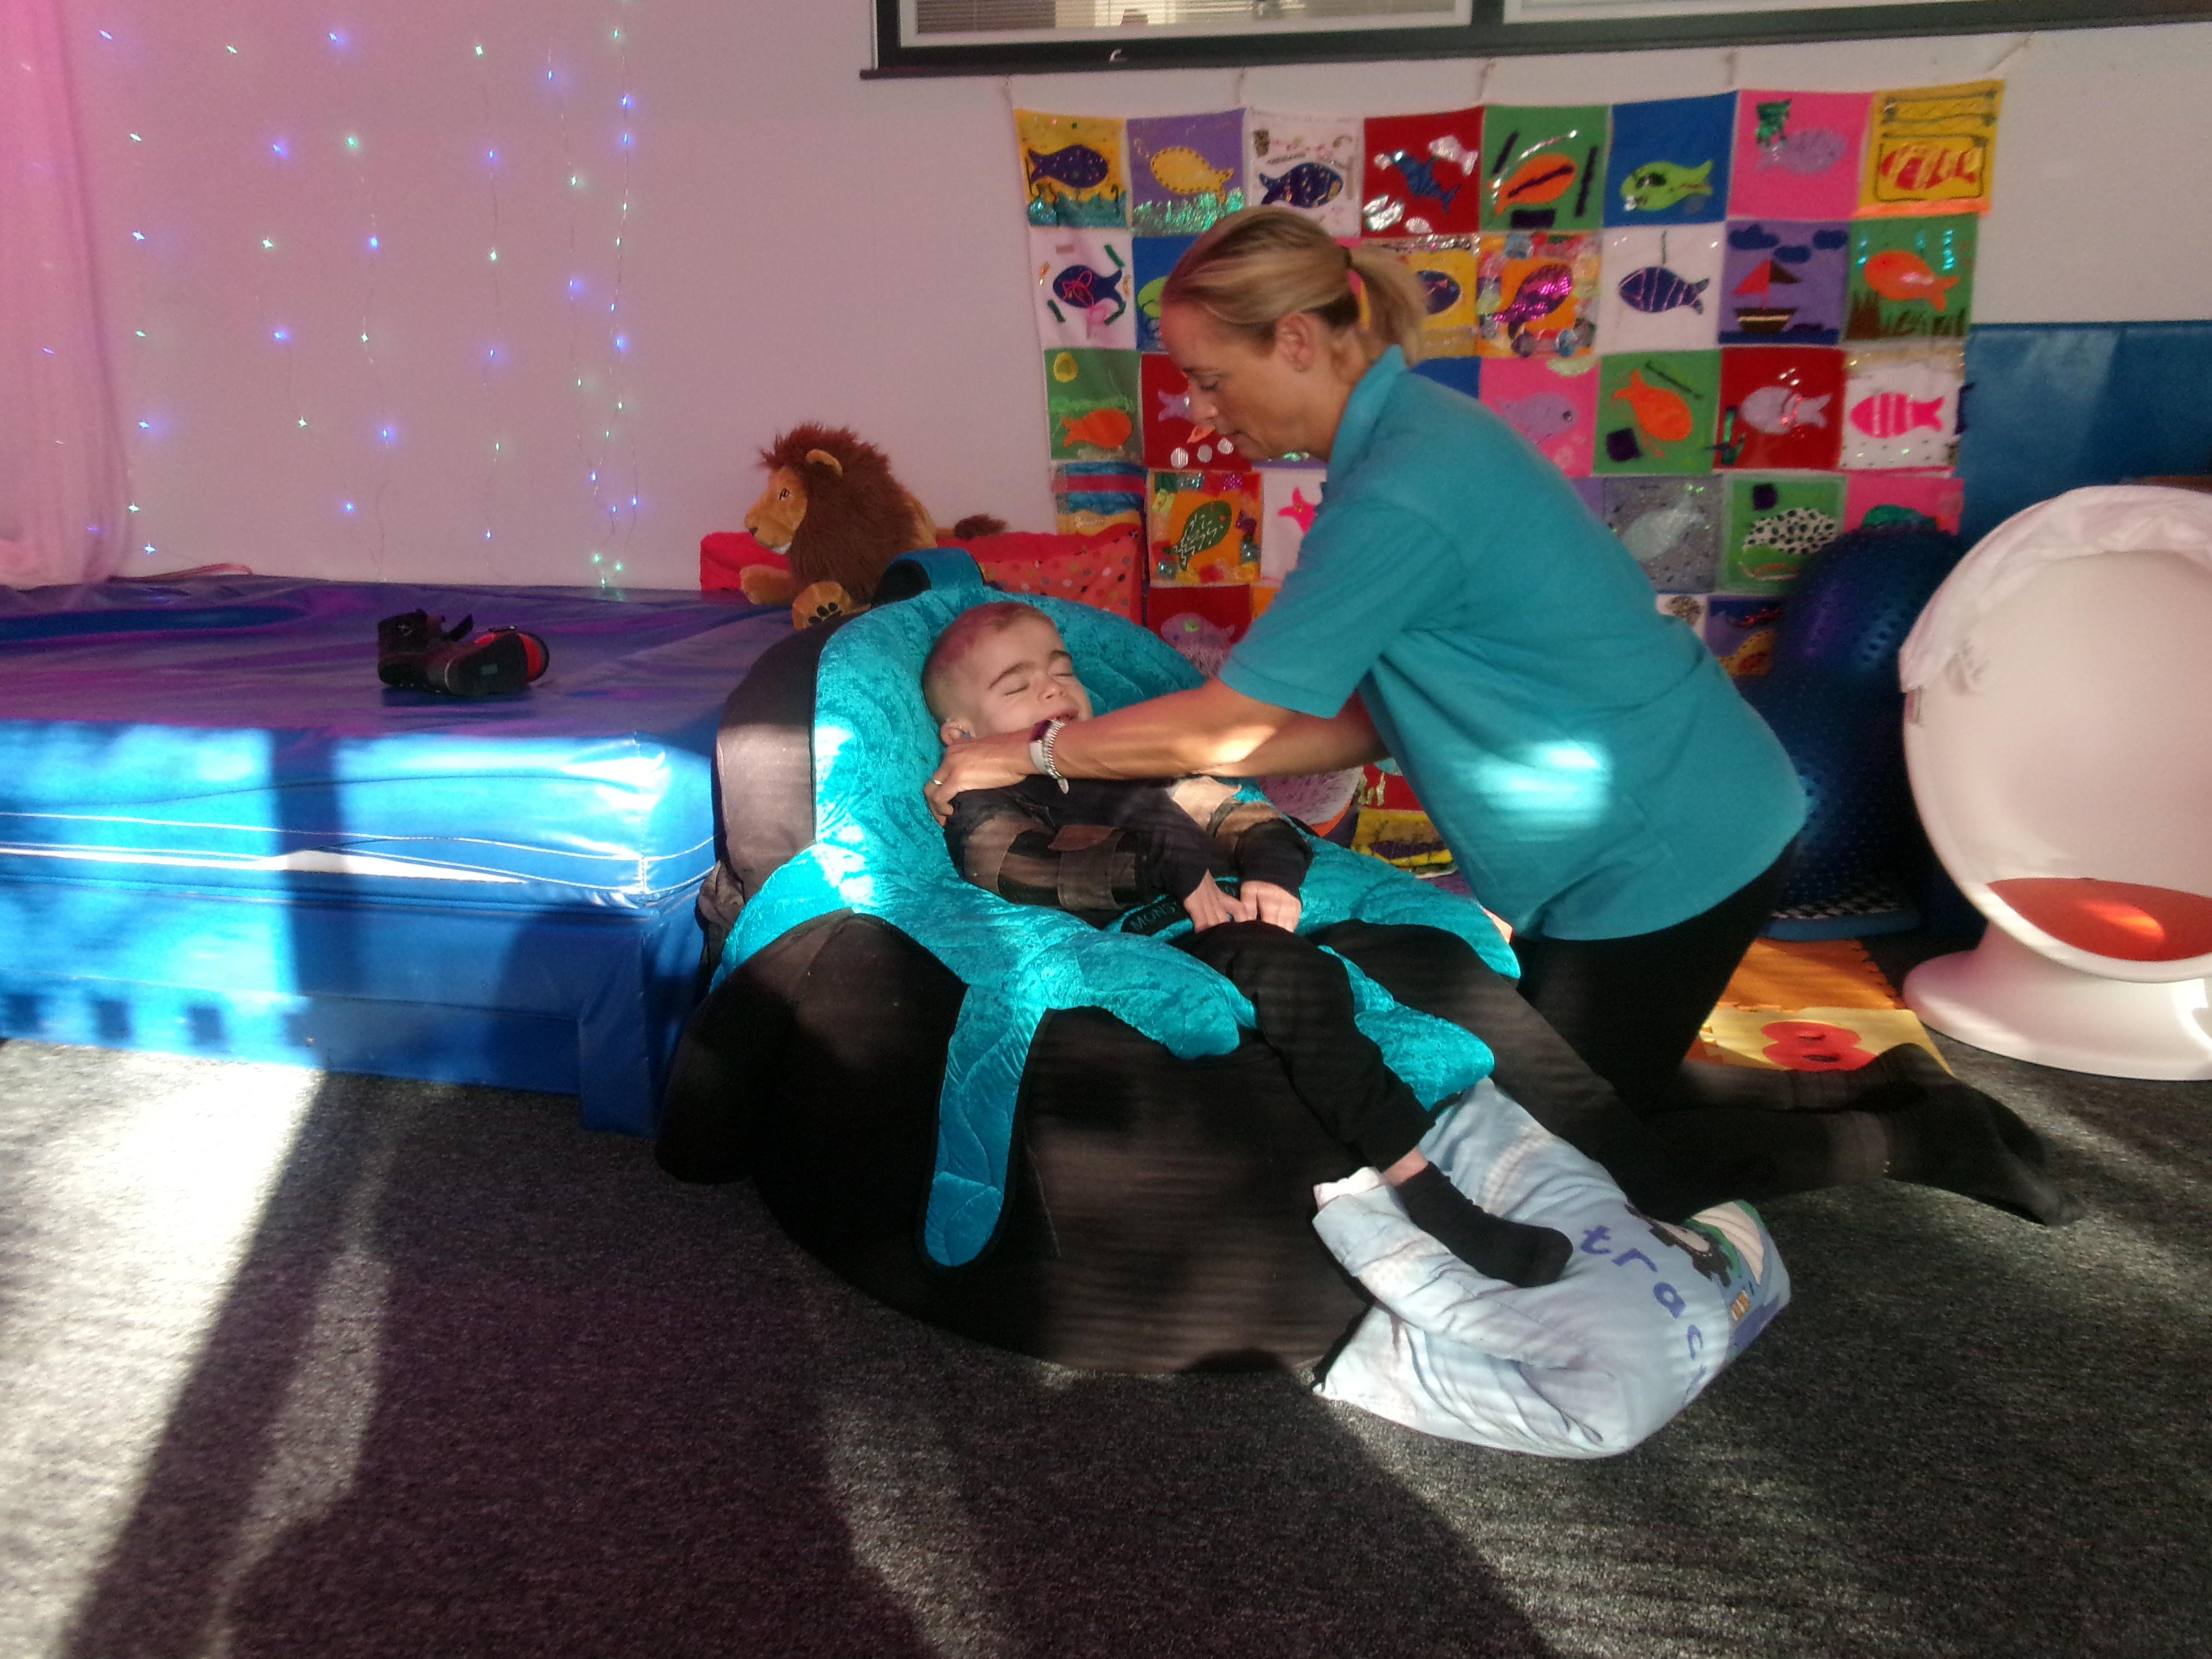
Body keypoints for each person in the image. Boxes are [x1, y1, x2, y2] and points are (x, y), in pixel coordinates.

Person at [927, 207, 2078, 1227]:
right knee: (1587, 1082)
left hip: (1666, 842)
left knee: (1571, 1161)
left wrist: (1038, 749)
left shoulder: (1401, 490)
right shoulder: (1411, 440)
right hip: (1666, 821)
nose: (1201, 408)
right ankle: (1883, 1088)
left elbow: (1233, 723)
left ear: (1299, 340)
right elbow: (1360, 722)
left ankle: (1923, 1139)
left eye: (1211, 378)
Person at [924, 598, 1574, 1287]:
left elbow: (1246, 816)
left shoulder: (1119, 761)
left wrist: (1271, 876)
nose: (1053, 690)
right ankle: (1429, 1193)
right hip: (1154, 939)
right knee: (1288, 975)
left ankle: (1587, 1124)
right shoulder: (984, 804)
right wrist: (1179, 866)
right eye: (1018, 687)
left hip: (1240, 911)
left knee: (1429, 954)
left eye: (1062, 670)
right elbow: (1028, 870)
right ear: (963, 735)